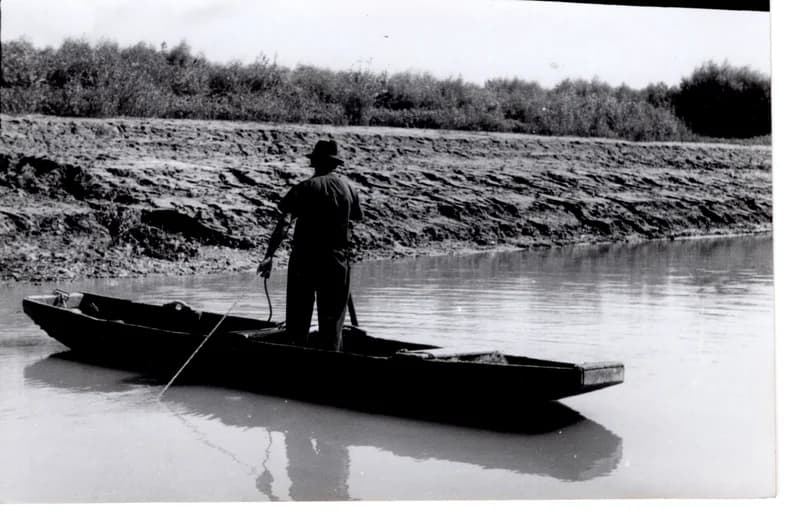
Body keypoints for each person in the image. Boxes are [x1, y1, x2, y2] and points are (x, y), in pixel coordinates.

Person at [257, 139, 362, 351]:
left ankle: (297, 364)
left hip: (305, 261)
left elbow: (285, 222)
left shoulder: (304, 188)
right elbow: (353, 222)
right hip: (337, 261)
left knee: (298, 319)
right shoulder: (351, 189)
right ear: (336, 164)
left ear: (315, 162)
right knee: (333, 325)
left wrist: (269, 256)